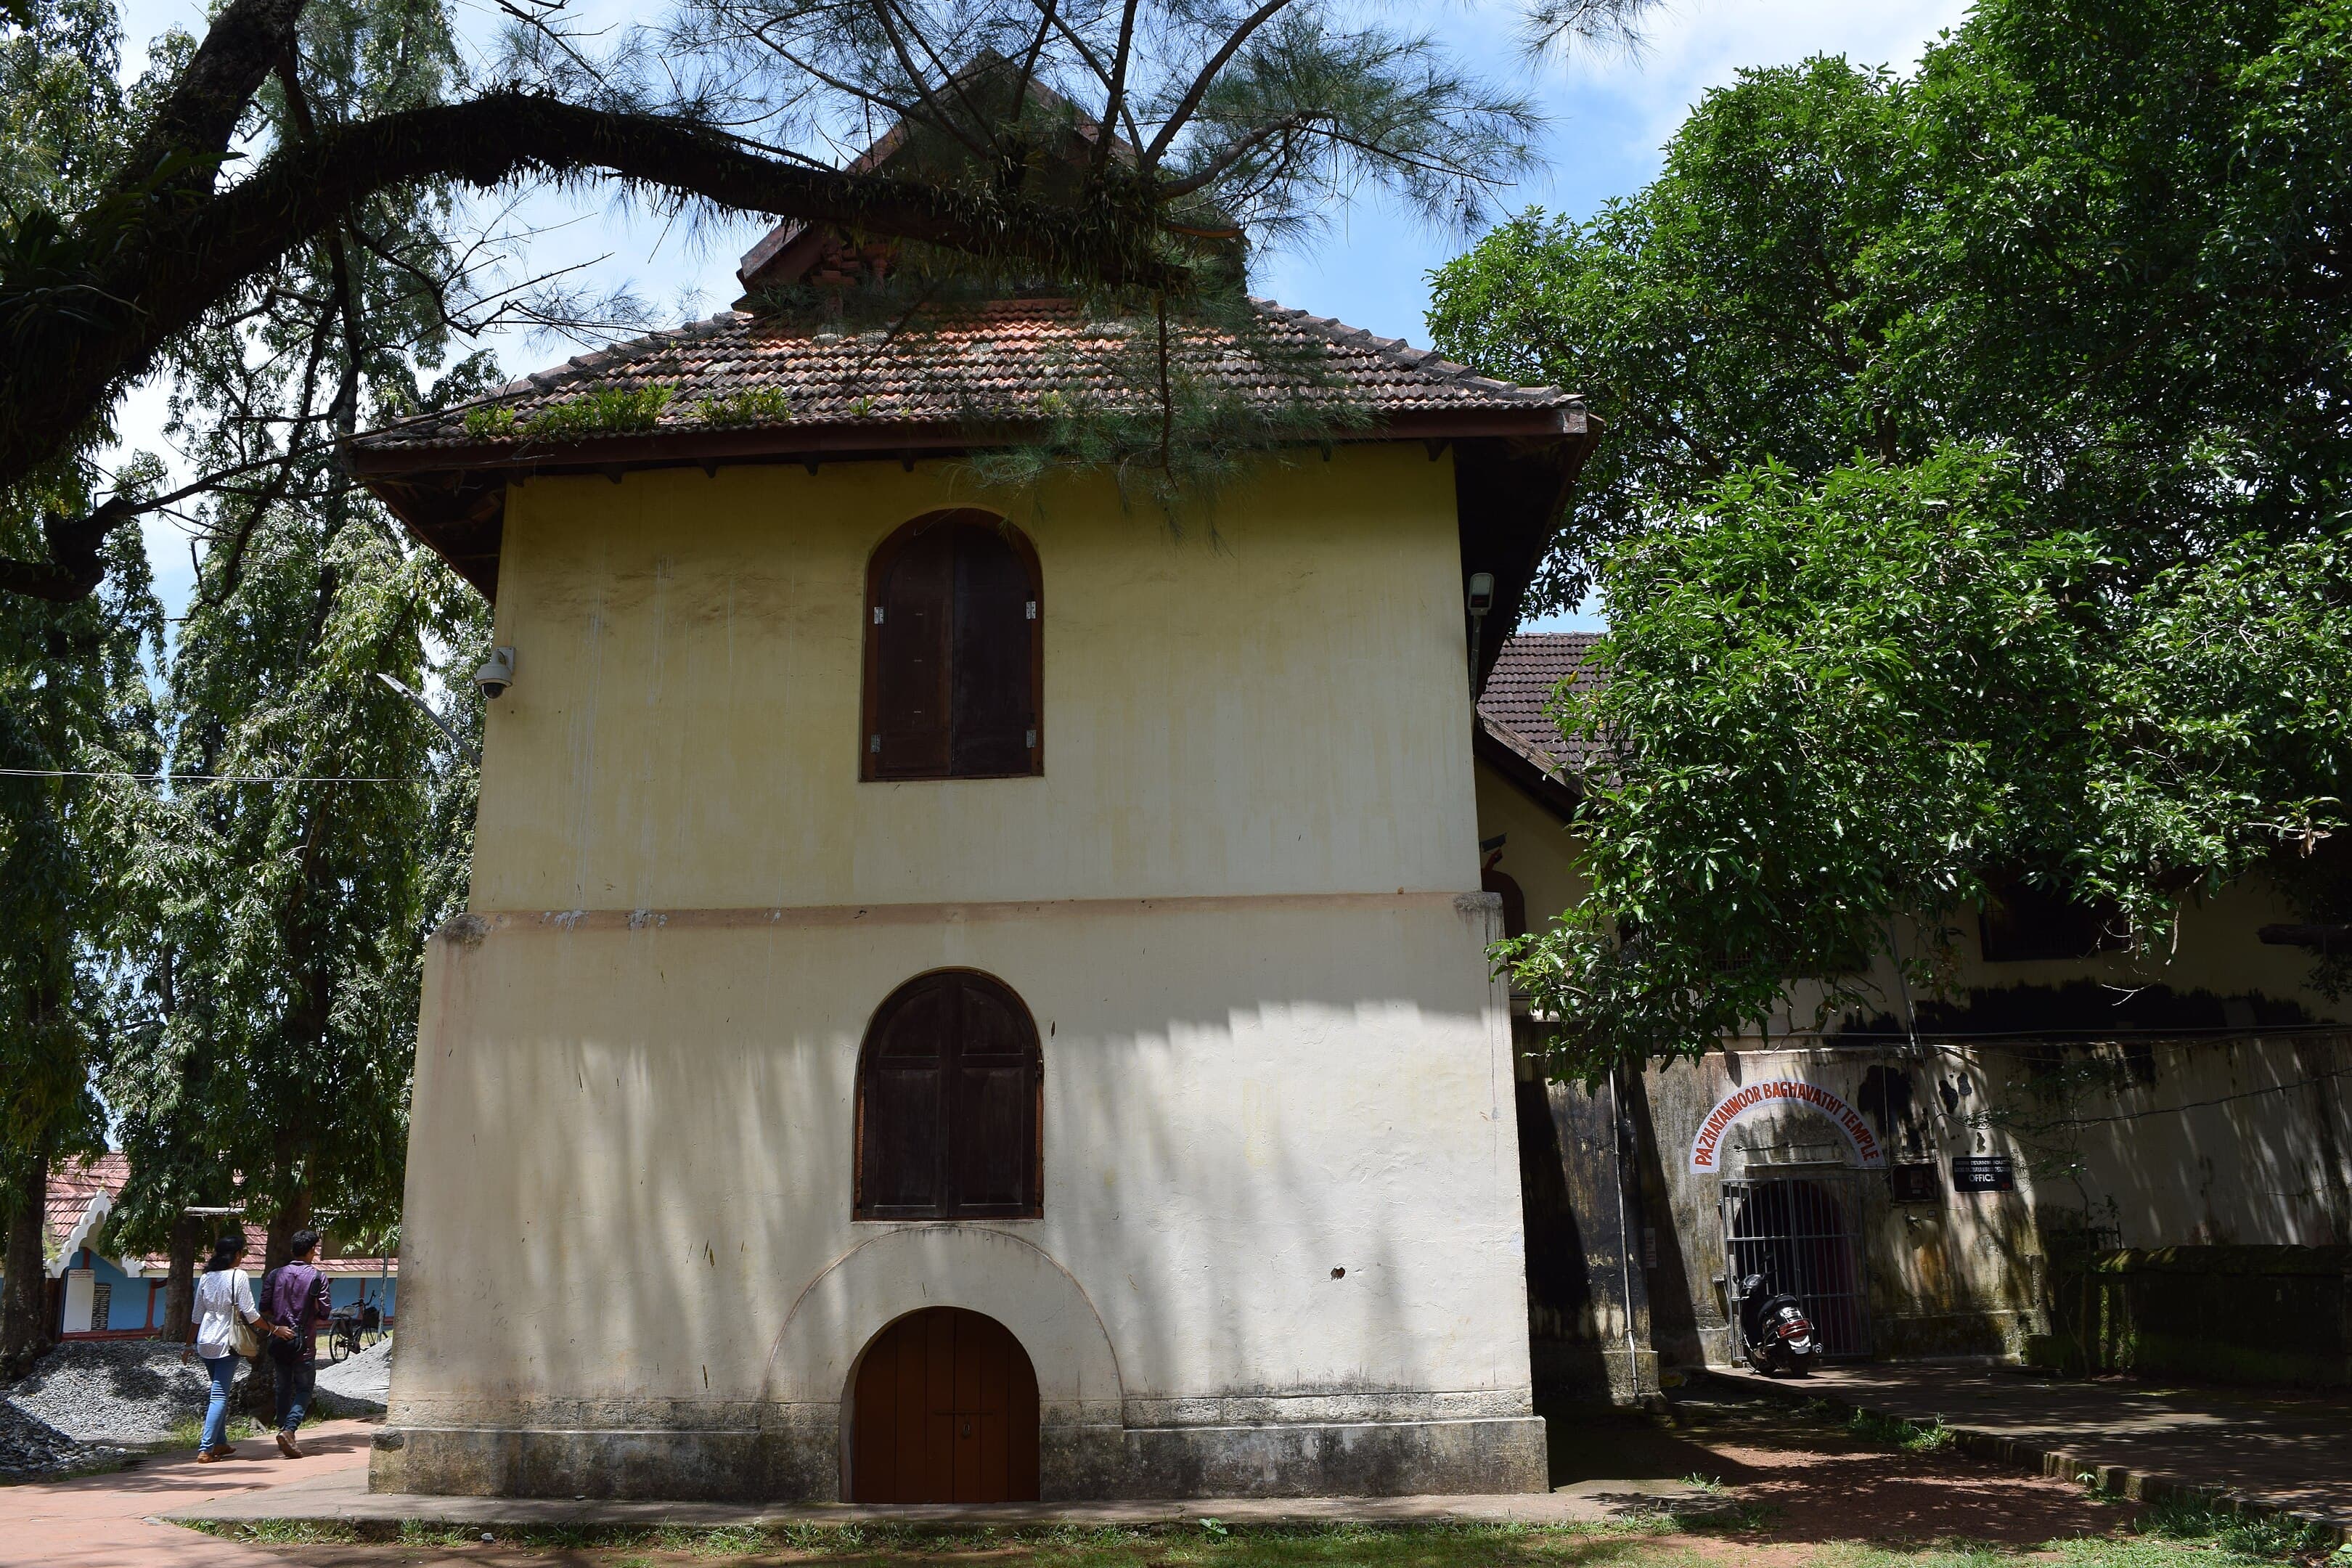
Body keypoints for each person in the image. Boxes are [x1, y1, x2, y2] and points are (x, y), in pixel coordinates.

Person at [184, 1232, 266, 1462]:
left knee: (217, 1389)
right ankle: (206, 1448)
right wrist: (271, 1328)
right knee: (219, 1396)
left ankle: (220, 1443)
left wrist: (188, 1345)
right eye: (242, 1253)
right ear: (237, 1254)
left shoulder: (206, 1277)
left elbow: (196, 1316)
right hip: (226, 1342)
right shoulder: (239, 1276)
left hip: (205, 1342)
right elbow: (250, 1313)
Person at [261, 1229, 334, 1457]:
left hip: (280, 1339)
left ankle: (284, 1429)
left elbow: (264, 1307)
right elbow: (325, 1312)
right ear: (312, 1250)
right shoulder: (317, 1277)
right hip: (305, 1343)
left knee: (282, 1387)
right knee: (304, 1389)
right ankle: (290, 1429)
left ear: (293, 1249)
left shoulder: (275, 1275)